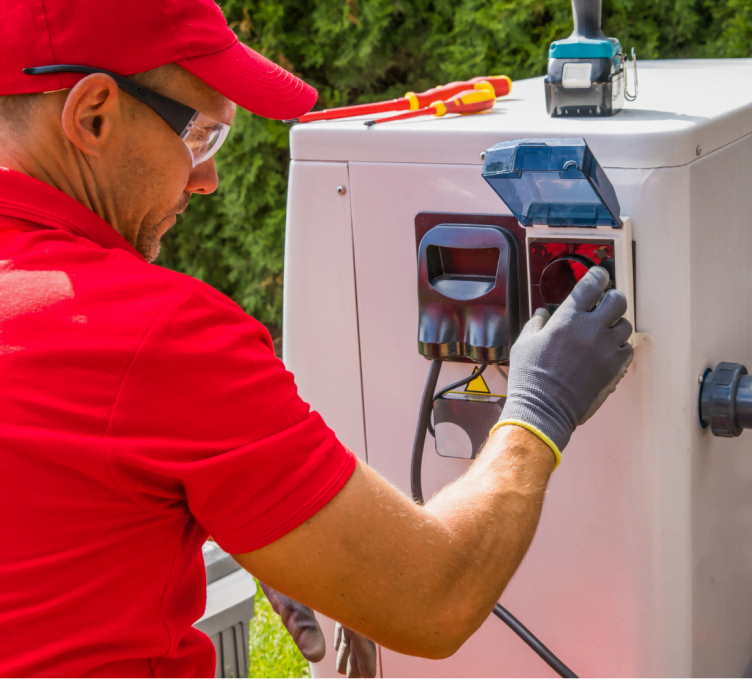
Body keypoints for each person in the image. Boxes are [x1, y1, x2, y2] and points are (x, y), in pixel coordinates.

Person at [0, 0, 634, 677]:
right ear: (93, 113)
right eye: (200, 138)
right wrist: (540, 411)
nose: (207, 180)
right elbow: (433, 595)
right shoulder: (153, 334)